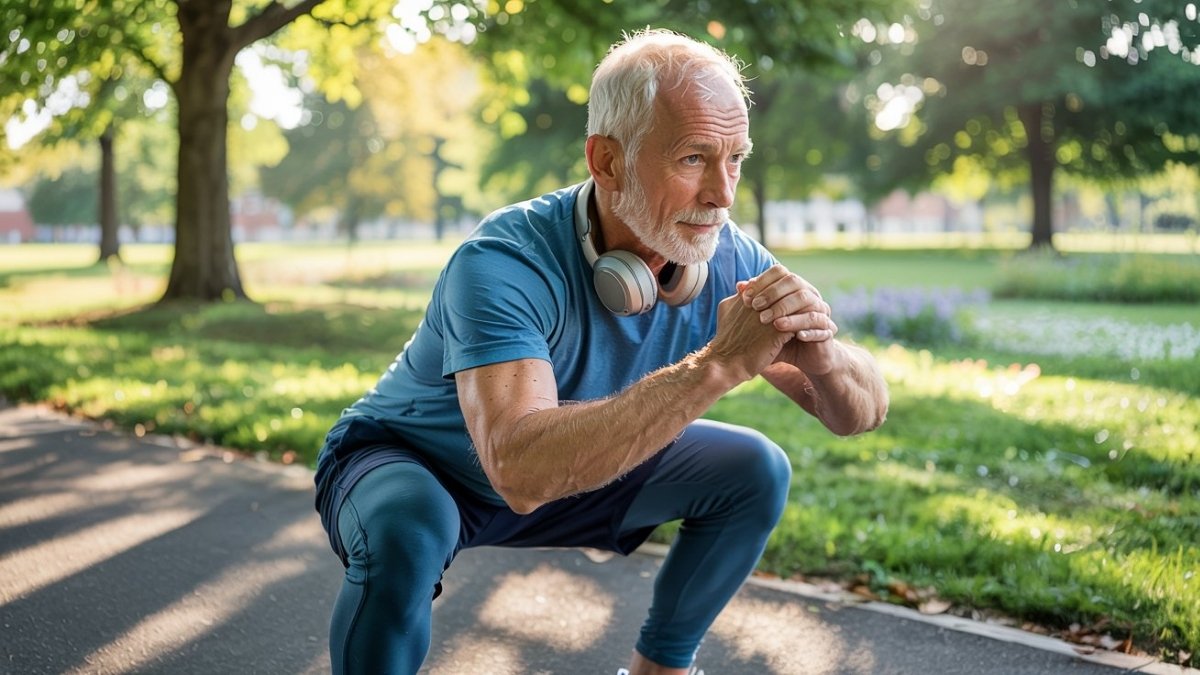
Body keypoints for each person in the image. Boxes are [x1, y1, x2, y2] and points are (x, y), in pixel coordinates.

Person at [313, 27, 889, 675]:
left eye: (735, 158)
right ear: (607, 161)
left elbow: (857, 414)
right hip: (420, 464)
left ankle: (662, 670)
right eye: (694, 158)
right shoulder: (503, 261)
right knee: (406, 532)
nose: (723, 195)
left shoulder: (727, 258)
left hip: (575, 467)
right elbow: (521, 471)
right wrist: (719, 364)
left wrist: (823, 358)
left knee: (755, 469)